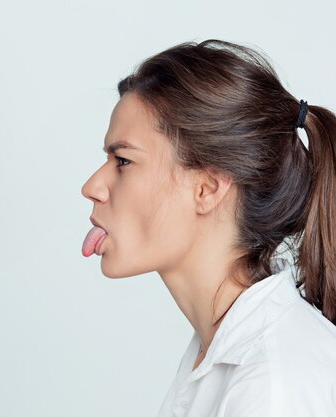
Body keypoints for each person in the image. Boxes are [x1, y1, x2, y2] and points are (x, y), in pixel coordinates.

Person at [81, 40, 336, 416]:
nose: (92, 187)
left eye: (122, 160)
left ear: (207, 188)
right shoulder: (219, 350)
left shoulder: (275, 383)